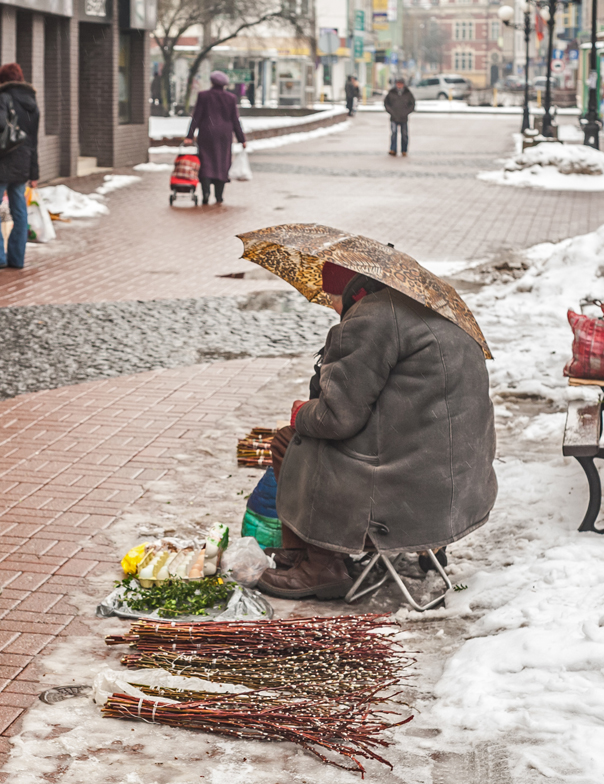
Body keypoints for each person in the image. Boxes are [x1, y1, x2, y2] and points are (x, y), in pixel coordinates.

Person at [257, 263, 496, 599]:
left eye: (332, 300)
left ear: (352, 293)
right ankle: (309, 554)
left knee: (291, 440)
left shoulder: (370, 320)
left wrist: (301, 413)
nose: (333, 309)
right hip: (459, 494)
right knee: (387, 437)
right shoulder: (439, 311)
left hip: (405, 501)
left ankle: (322, 566)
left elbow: (336, 419)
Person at [0, 62, 40, 272]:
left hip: (3, 160)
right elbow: (33, 140)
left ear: (3, 81)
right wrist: (34, 172)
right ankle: (16, 258)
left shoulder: (5, 97)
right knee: (19, 210)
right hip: (22, 163)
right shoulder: (32, 102)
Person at [183, 71, 246, 205]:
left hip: (206, 133)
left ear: (212, 82)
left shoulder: (203, 96)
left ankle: (206, 193)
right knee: (222, 163)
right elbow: (235, 120)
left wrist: (189, 135)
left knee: (206, 162)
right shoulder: (230, 98)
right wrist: (242, 139)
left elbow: (196, 117)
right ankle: (219, 196)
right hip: (224, 135)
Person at [384, 76, 415, 156]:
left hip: (403, 117)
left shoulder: (408, 93)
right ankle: (393, 149)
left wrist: (406, 112)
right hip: (394, 117)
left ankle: (404, 150)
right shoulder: (391, 92)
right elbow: (386, 103)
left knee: (404, 134)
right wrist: (391, 111)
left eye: (400, 84)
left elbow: (412, 104)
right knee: (393, 133)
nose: (399, 85)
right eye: (398, 83)